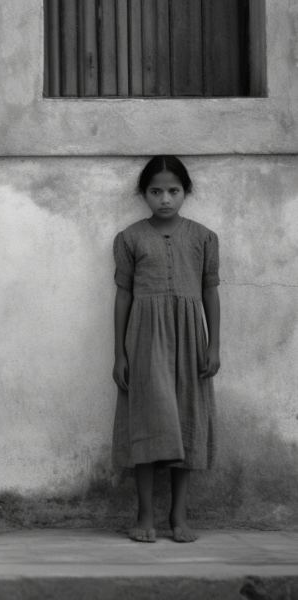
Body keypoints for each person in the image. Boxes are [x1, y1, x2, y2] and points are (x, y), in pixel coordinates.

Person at [112, 155, 220, 543]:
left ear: (185, 192)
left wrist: (213, 344)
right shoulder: (130, 238)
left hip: (191, 339)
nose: (164, 199)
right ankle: (144, 514)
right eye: (155, 191)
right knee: (146, 420)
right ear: (143, 194)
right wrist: (120, 353)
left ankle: (178, 513)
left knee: (187, 419)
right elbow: (123, 296)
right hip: (144, 339)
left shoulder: (205, 238)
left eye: (173, 190)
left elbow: (210, 291)